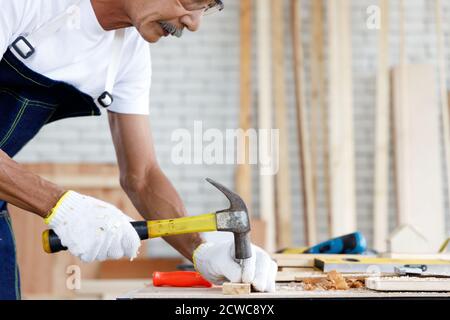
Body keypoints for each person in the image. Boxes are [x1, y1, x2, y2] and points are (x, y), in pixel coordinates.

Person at [0, 0, 277, 300]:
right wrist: (61, 206)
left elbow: (142, 176)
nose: (194, 23)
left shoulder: (128, 56)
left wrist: (202, 249)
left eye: (207, 8)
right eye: (194, 1)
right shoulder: (23, 4)